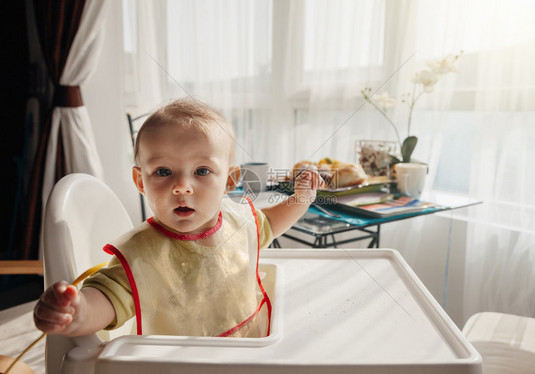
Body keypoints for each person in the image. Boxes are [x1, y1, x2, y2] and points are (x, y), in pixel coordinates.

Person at [33, 98, 324, 338]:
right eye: (163, 171)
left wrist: (301, 200)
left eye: (201, 171)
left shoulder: (239, 220)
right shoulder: (142, 254)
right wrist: (78, 311)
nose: (182, 186)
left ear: (230, 180)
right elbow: (109, 298)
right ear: (140, 180)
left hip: (250, 350)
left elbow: (270, 223)